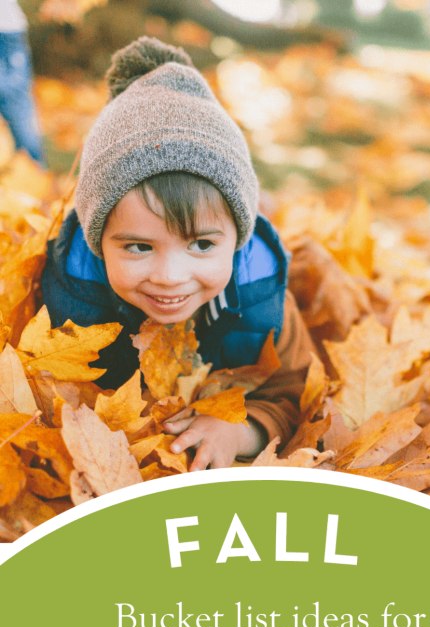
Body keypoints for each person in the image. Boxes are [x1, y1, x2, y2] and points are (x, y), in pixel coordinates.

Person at [41, 37, 314, 470]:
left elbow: (295, 390)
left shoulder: (261, 298)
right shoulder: (70, 297)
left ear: (236, 237)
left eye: (202, 245)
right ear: (98, 239)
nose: (170, 275)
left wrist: (241, 430)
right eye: (138, 247)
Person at [0, 0, 44, 163]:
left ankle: (32, 173)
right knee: (18, 108)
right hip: (8, 29)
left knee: (18, 108)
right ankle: (34, 172)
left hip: (7, 31)